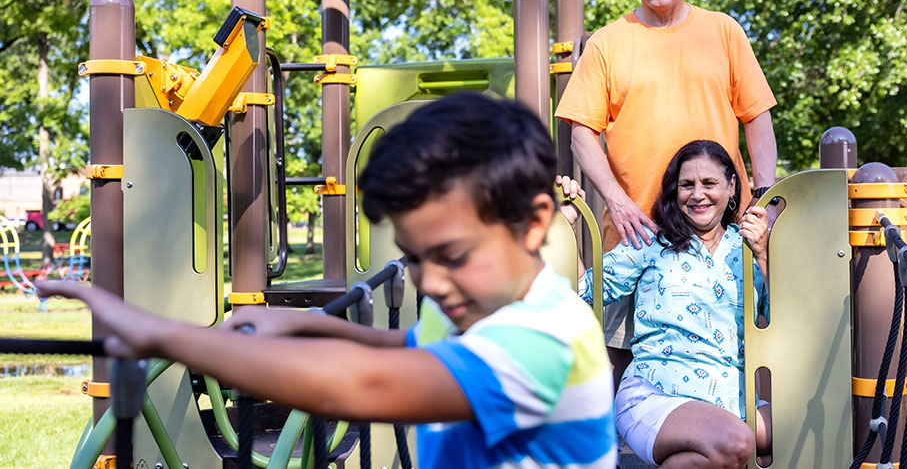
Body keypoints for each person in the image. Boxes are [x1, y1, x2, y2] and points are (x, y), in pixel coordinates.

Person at [38, 93, 618, 469]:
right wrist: (298, 321)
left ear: (536, 221)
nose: (433, 283)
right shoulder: (475, 302)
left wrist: (159, 333)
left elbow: (361, 387)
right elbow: (407, 345)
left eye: (452, 253)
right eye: (416, 259)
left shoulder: (546, 337)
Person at [554, 0, 779, 388]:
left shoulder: (723, 31)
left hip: (720, 235)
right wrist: (616, 199)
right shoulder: (608, 44)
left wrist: (765, 194)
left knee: (734, 357)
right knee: (617, 366)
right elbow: (580, 132)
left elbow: (757, 116)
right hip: (638, 236)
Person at [559, 140, 770, 468]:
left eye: (709, 183)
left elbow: (786, 322)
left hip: (735, 401)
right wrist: (569, 225)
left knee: (800, 425)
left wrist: (764, 255)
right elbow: (584, 293)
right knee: (736, 442)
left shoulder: (748, 249)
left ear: (732, 186)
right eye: (687, 185)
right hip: (657, 394)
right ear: (674, 192)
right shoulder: (651, 243)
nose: (697, 194)